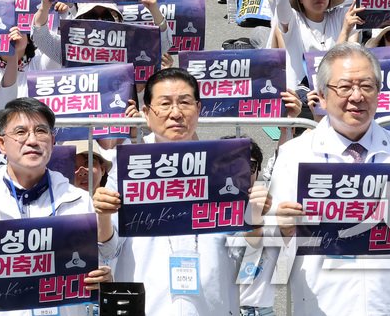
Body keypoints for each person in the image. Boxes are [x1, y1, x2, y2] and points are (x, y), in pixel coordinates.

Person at [268, 43, 390, 316]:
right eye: (344, 87)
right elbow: (270, 249)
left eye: (367, 86)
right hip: (322, 305)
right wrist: (279, 228)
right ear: (322, 95)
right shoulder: (294, 155)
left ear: (378, 93)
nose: (357, 96)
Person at [109, 68, 276, 316]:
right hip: (149, 305)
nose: (176, 113)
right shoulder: (126, 165)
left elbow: (246, 256)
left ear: (198, 108)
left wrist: (254, 221)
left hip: (212, 304)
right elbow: (107, 246)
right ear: (146, 113)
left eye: (185, 102)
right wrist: (102, 214)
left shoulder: (225, 163)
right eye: (165, 104)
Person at [0, 98, 116, 314]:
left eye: (41, 131)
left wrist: (104, 278)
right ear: (2, 144)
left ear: (51, 141)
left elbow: (104, 258)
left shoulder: (77, 199)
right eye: (21, 132)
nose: (32, 140)